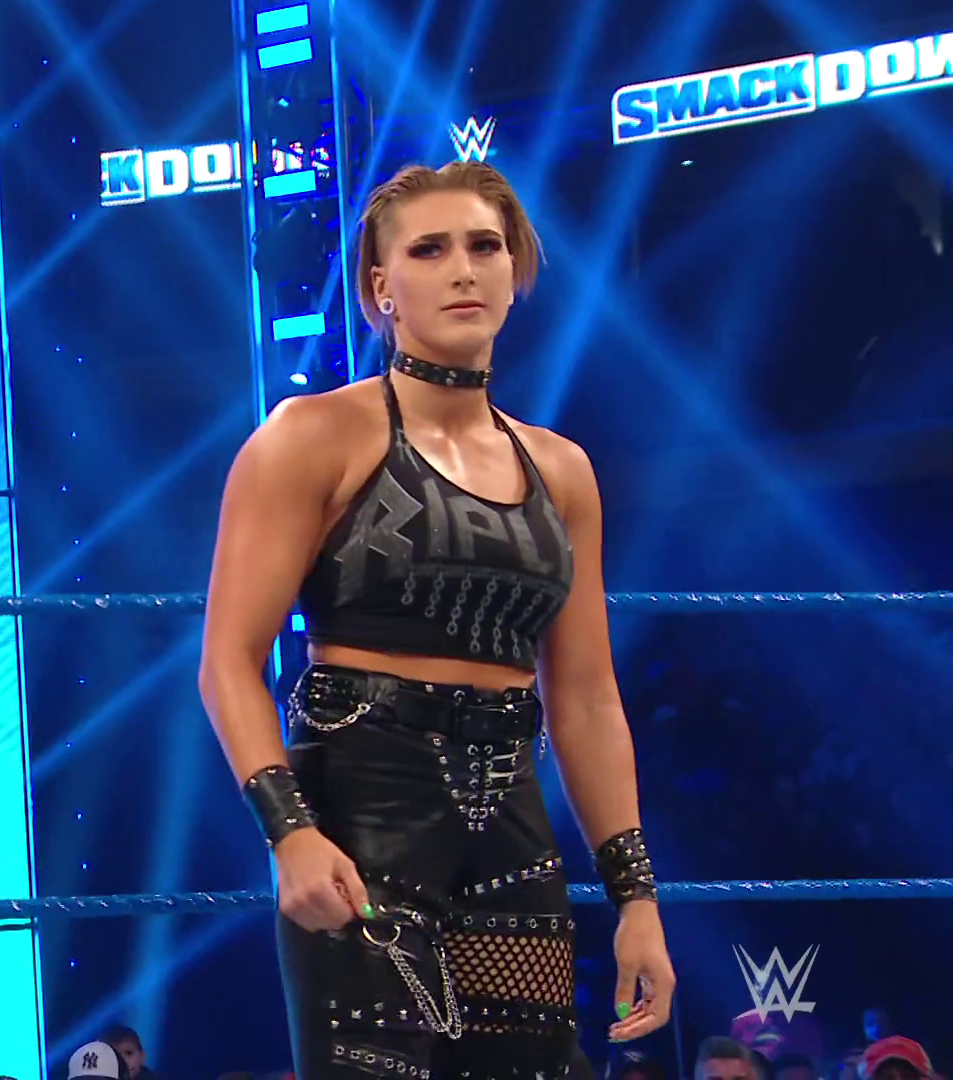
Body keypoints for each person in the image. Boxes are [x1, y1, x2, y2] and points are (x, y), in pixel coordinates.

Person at [198, 160, 677, 1078]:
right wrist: (289, 832)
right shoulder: (312, 435)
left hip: (511, 826)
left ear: (514, 270)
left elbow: (585, 699)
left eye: (484, 246)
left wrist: (637, 900)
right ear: (382, 287)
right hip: (363, 813)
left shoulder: (561, 471)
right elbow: (228, 660)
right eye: (430, 250)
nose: (463, 269)